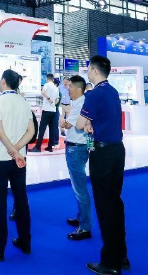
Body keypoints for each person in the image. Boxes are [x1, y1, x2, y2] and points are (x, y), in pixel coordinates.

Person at [77, 55, 130, 275]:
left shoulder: (94, 94)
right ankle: (121, 255)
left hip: (102, 153)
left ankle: (110, 263)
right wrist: (91, 122)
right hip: (117, 151)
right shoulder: (113, 92)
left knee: (105, 206)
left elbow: (79, 124)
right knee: (115, 203)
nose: (87, 73)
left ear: (96, 71)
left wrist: (87, 122)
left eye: (89, 69)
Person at [0, 69, 35, 261]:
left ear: (3, 81)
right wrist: (17, 150)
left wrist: (11, 150)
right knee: (21, 200)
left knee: (0, 203)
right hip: (19, 160)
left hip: (1, 159)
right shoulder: (23, 102)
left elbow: (0, 133)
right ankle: (25, 242)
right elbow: (31, 131)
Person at [61, 75, 92, 241]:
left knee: (80, 188)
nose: (68, 89)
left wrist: (62, 117)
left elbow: (67, 125)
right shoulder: (80, 103)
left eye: (70, 86)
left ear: (79, 89)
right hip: (77, 147)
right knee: (78, 186)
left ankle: (85, 227)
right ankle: (81, 217)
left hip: (76, 148)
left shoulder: (81, 104)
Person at [32, 73, 60, 152]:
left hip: (47, 110)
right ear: (53, 79)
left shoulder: (47, 85)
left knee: (42, 129)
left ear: (47, 79)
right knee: (52, 129)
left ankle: (37, 147)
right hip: (53, 111)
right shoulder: (56, 88)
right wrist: (53, 103)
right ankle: (50, 147)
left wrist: (48, 98)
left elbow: (43, 92)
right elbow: (57, 99)